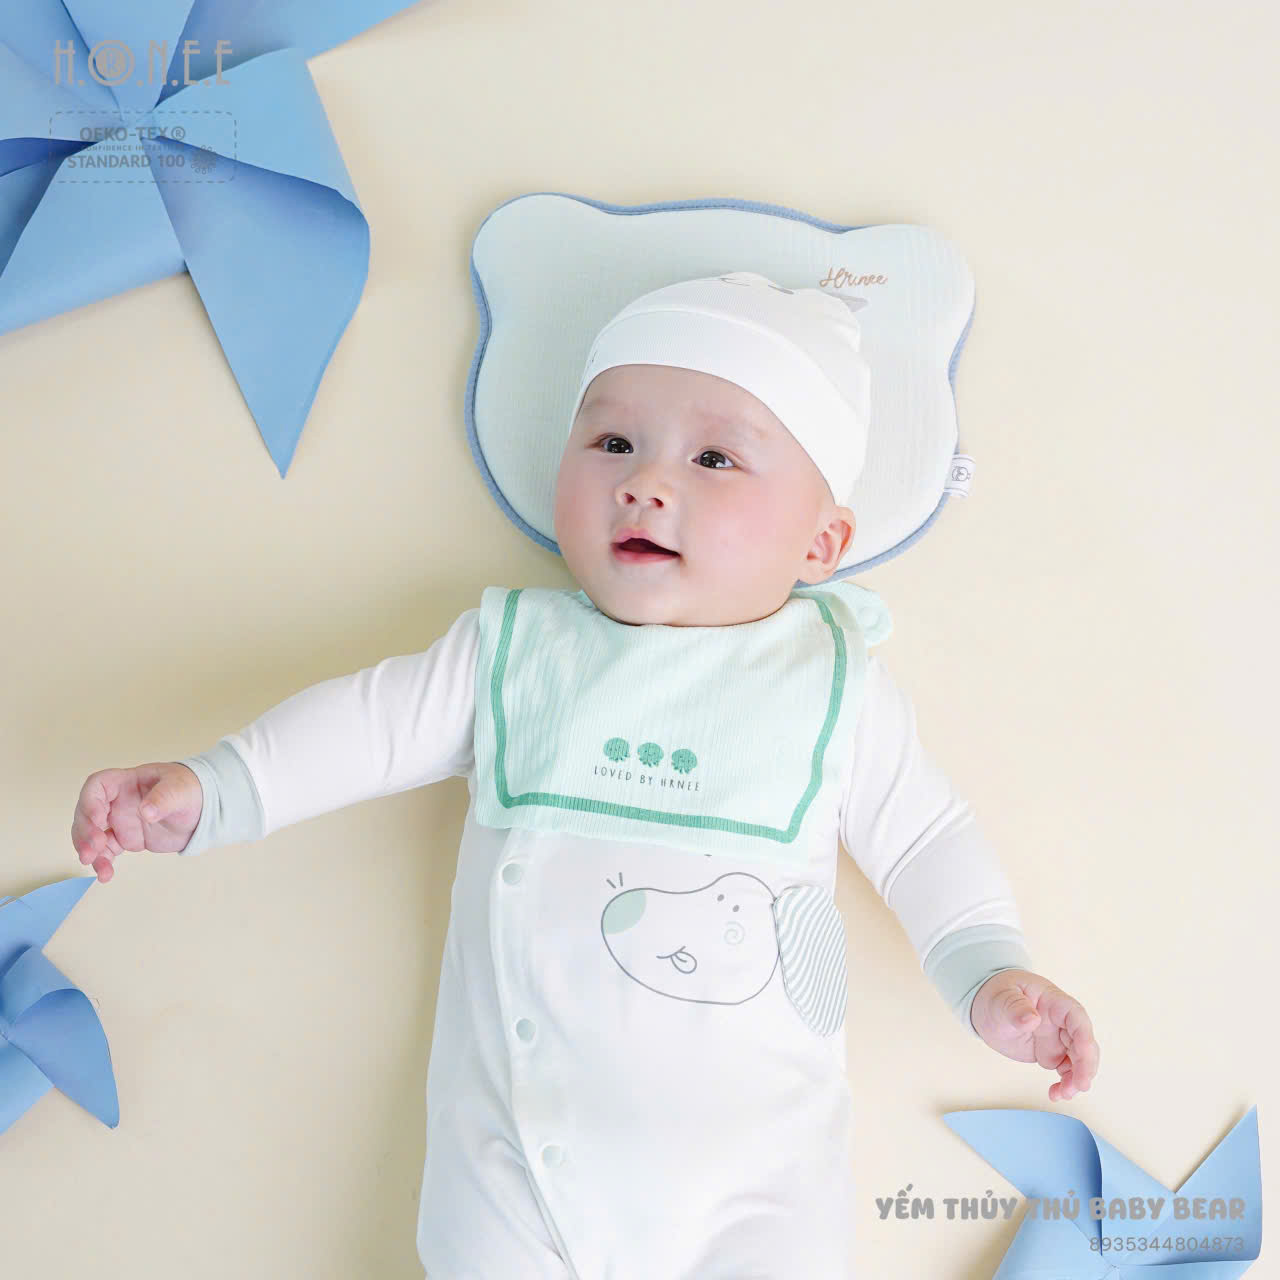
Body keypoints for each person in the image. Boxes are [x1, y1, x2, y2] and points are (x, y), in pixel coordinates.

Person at [71, 272, 1099, 1278]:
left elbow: (924, 839)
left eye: (713, 458)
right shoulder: (517, 653)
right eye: (612, 443)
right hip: (514, 1161)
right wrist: (215, 789)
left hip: (758, 1179)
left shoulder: (830, 685)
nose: (645, 482)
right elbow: (367, 726)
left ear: (820, 542)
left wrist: (985, 971)